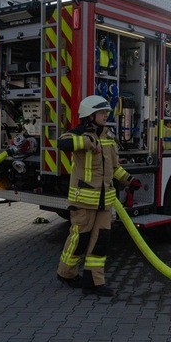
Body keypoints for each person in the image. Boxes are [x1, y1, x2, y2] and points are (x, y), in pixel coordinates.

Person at [55, 95, 142, 296]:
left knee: (100, 242)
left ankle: (94, 282)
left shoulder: (108, 139)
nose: (106, 115)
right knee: (79, 240)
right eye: (102, 112)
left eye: (106, 112)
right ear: (90, 115)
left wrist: (129, 180)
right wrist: (86, 142)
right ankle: (65, 273)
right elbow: (62, 143)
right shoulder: (78, 135)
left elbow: (114, 169)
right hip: (83, 201)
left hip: (104, 202)